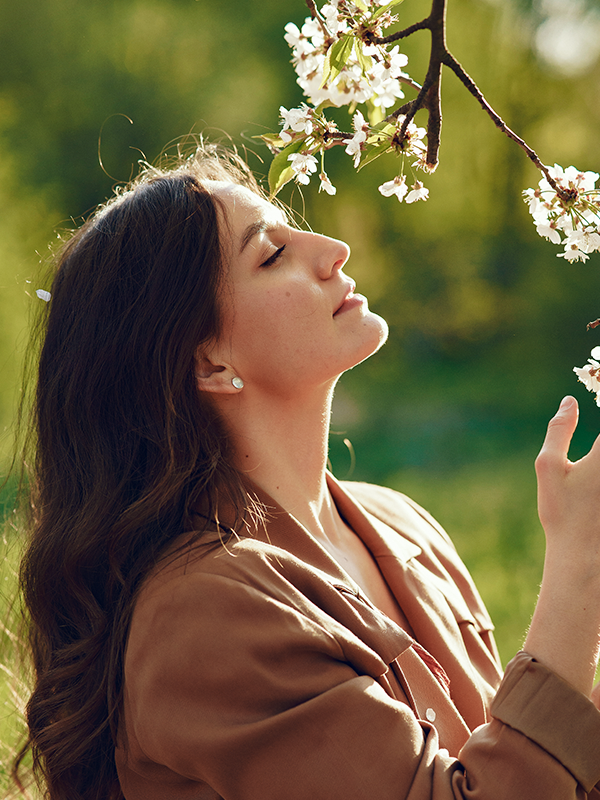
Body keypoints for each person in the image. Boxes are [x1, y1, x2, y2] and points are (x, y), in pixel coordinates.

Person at [13, 145, 600, 800]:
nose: (333, 250)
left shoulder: (402, 525)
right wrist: (579, 560)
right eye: (272, 255)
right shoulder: (202, 615)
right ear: (208, 363)